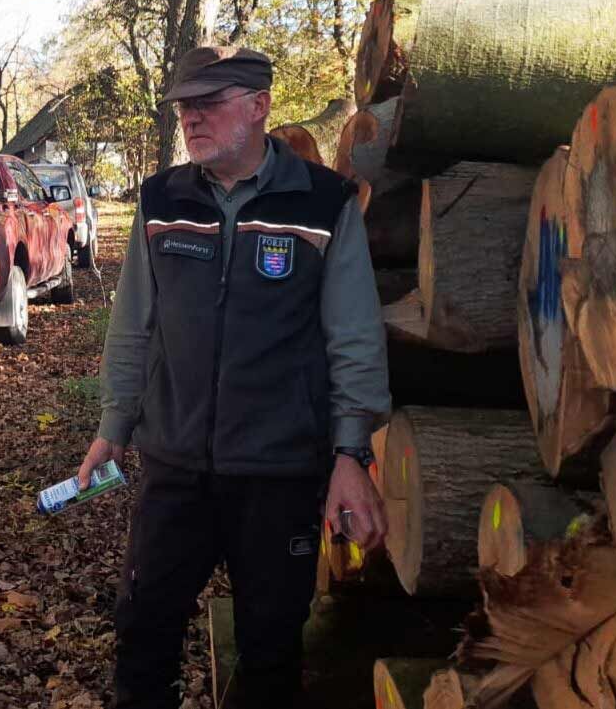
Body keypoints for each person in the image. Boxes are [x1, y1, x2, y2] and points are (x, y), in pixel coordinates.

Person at [76, 46, 391, 709]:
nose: (192, 118)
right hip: (175, 469)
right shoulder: (161, 200)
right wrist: (114, 425)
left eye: (209, 103)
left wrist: (351, 452)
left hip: (278, 474)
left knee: (271, 654)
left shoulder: (324, 203)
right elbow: (134, 322)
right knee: (142, 635)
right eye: (186, 107)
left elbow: (354, 336)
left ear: (259, 106)